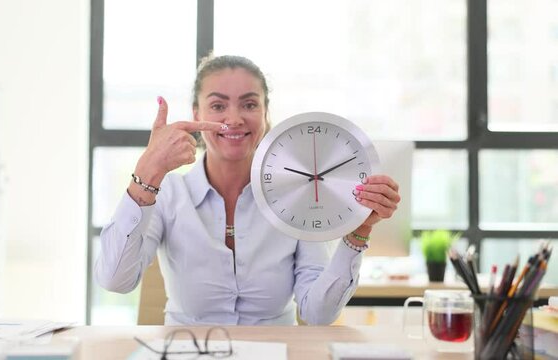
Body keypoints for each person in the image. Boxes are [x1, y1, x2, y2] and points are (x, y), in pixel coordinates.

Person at [95, 55, 401, 325]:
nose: (234, 118)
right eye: (217, 105)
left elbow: (317, 313)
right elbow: (114, 280)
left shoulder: (298, 196)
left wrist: (357, 232)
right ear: (195, 114)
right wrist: (148, 171)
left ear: (266, 114)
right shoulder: (168, 194)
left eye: (249, 104)